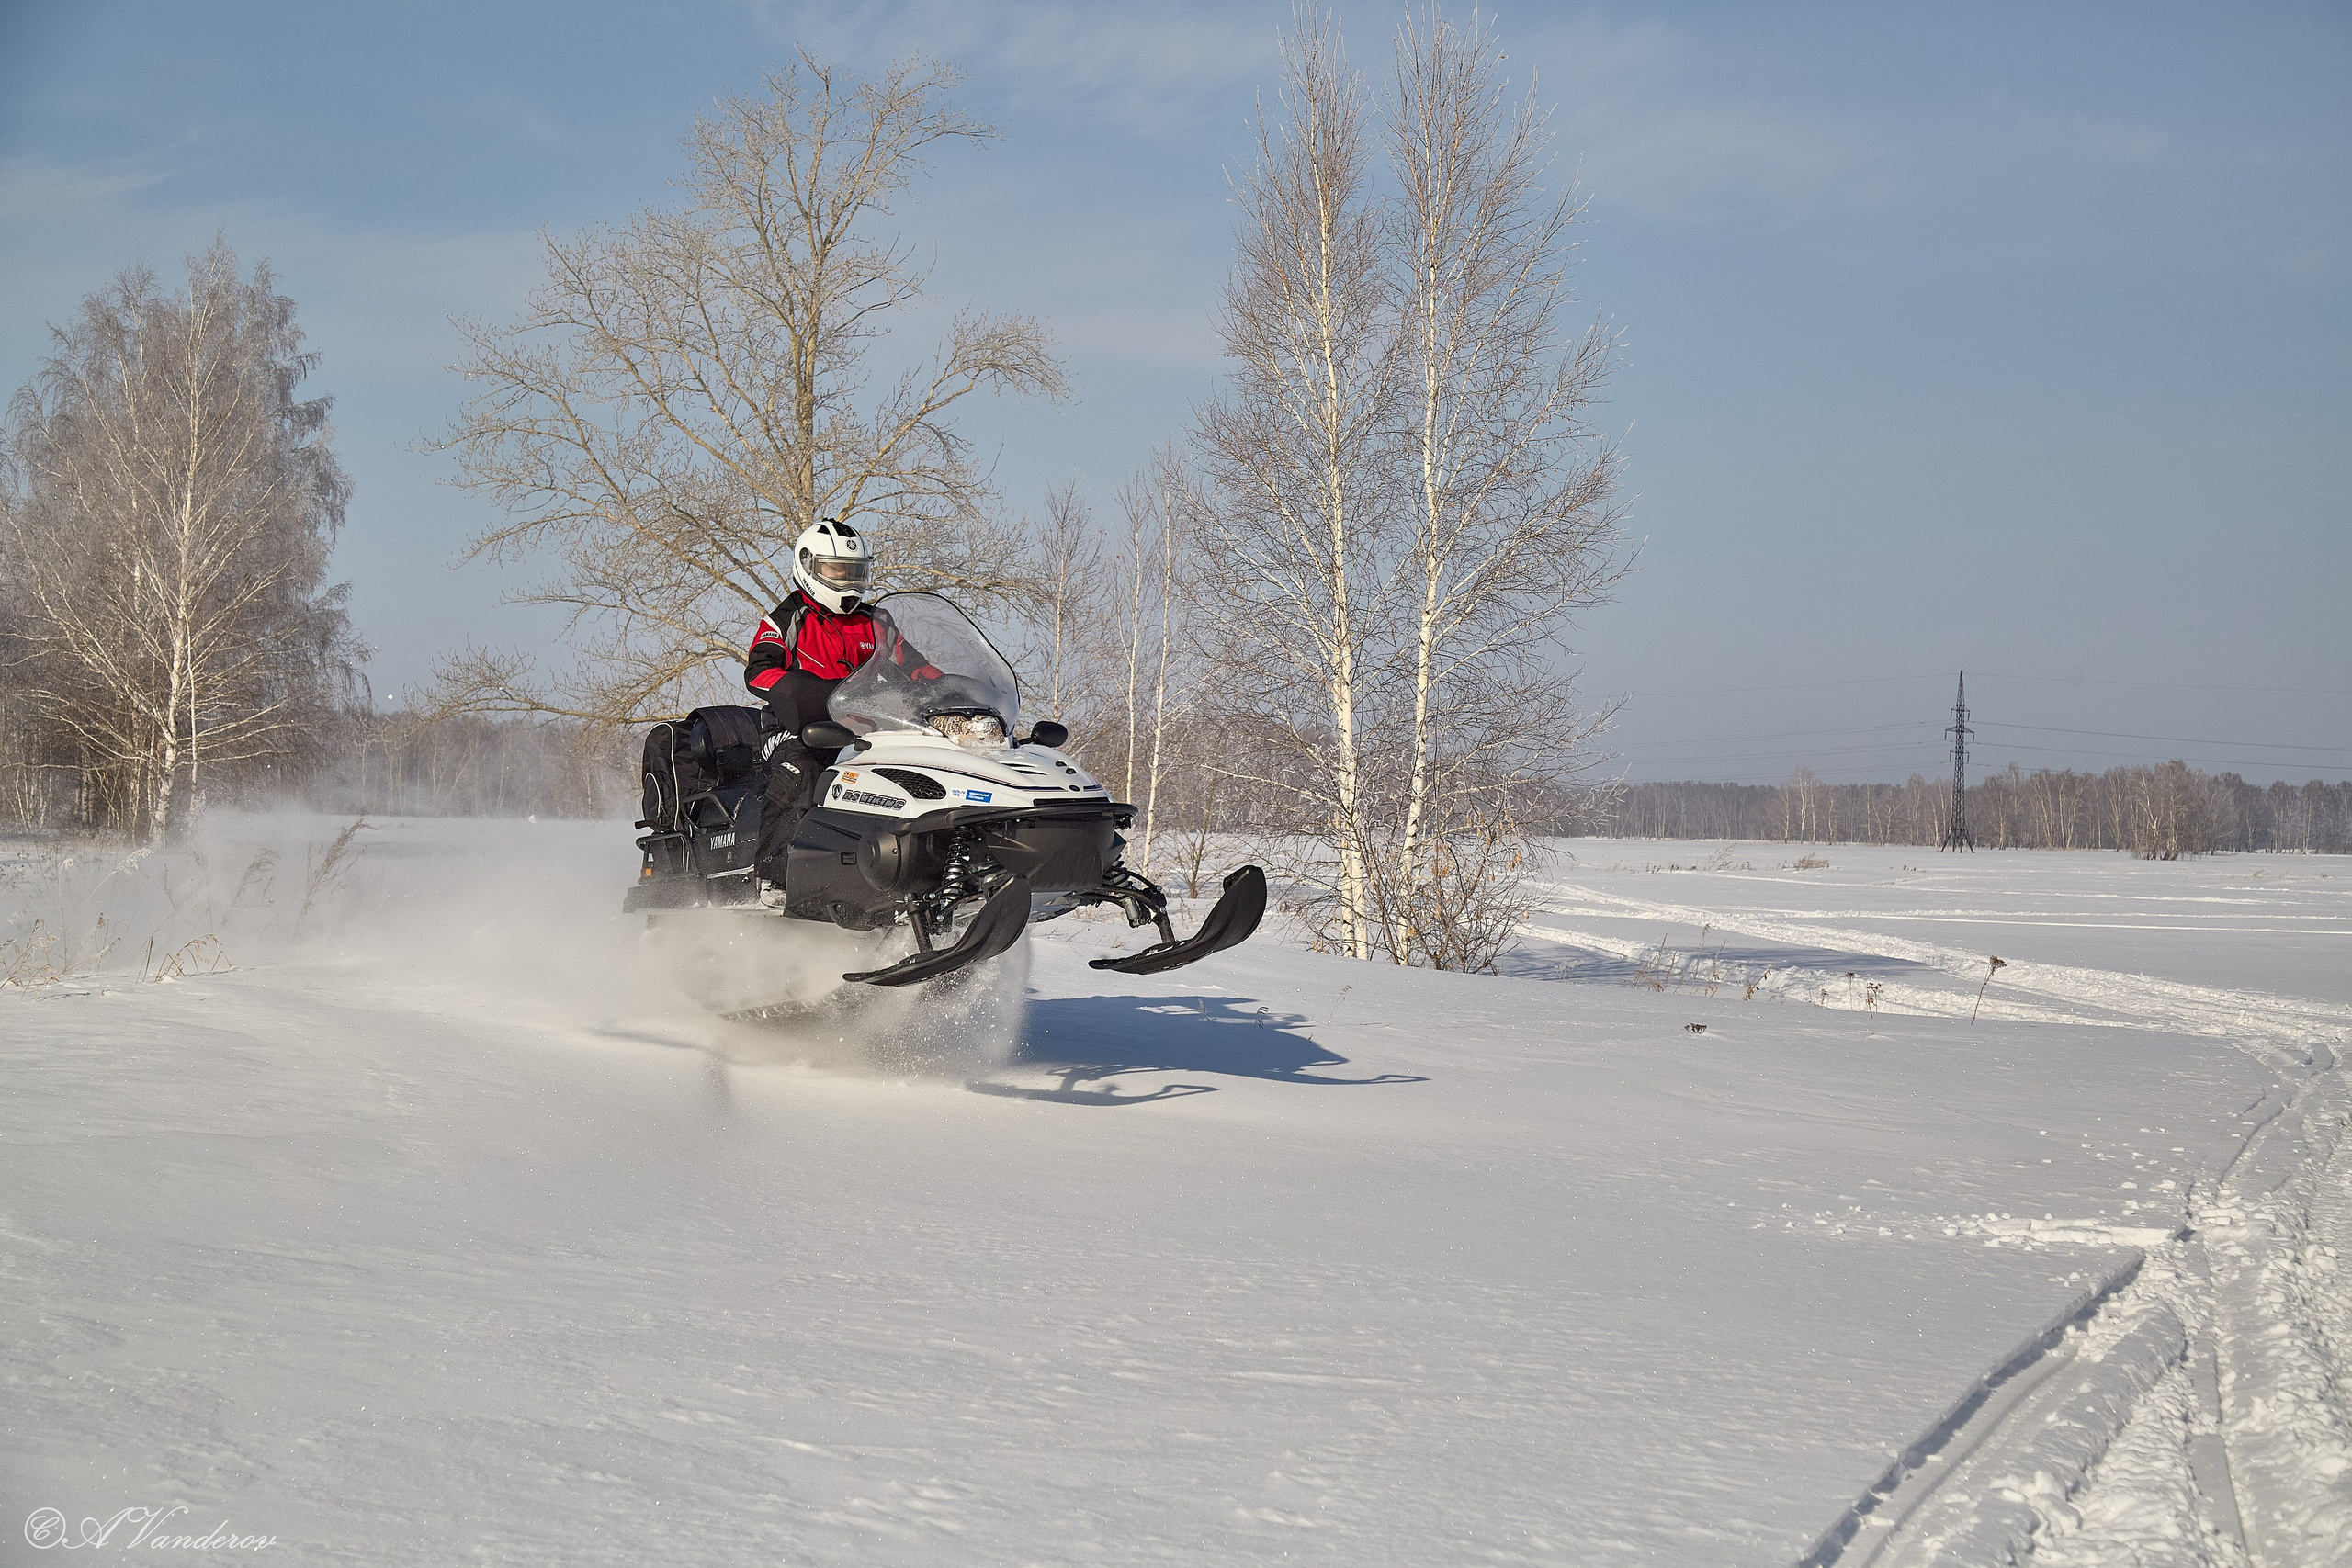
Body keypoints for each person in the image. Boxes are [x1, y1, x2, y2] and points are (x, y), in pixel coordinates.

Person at [745, 518, 877, 902]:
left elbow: (914, 666)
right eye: (837, 570)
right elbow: (759, 669)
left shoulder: (874, 622)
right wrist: (798, 691)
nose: (847, 579)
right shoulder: (788, 617)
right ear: (809, 567)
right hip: (794, 727)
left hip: (863, 729)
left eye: (854, 571)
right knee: (801, 770)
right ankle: (774, 876)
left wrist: (944, 685)